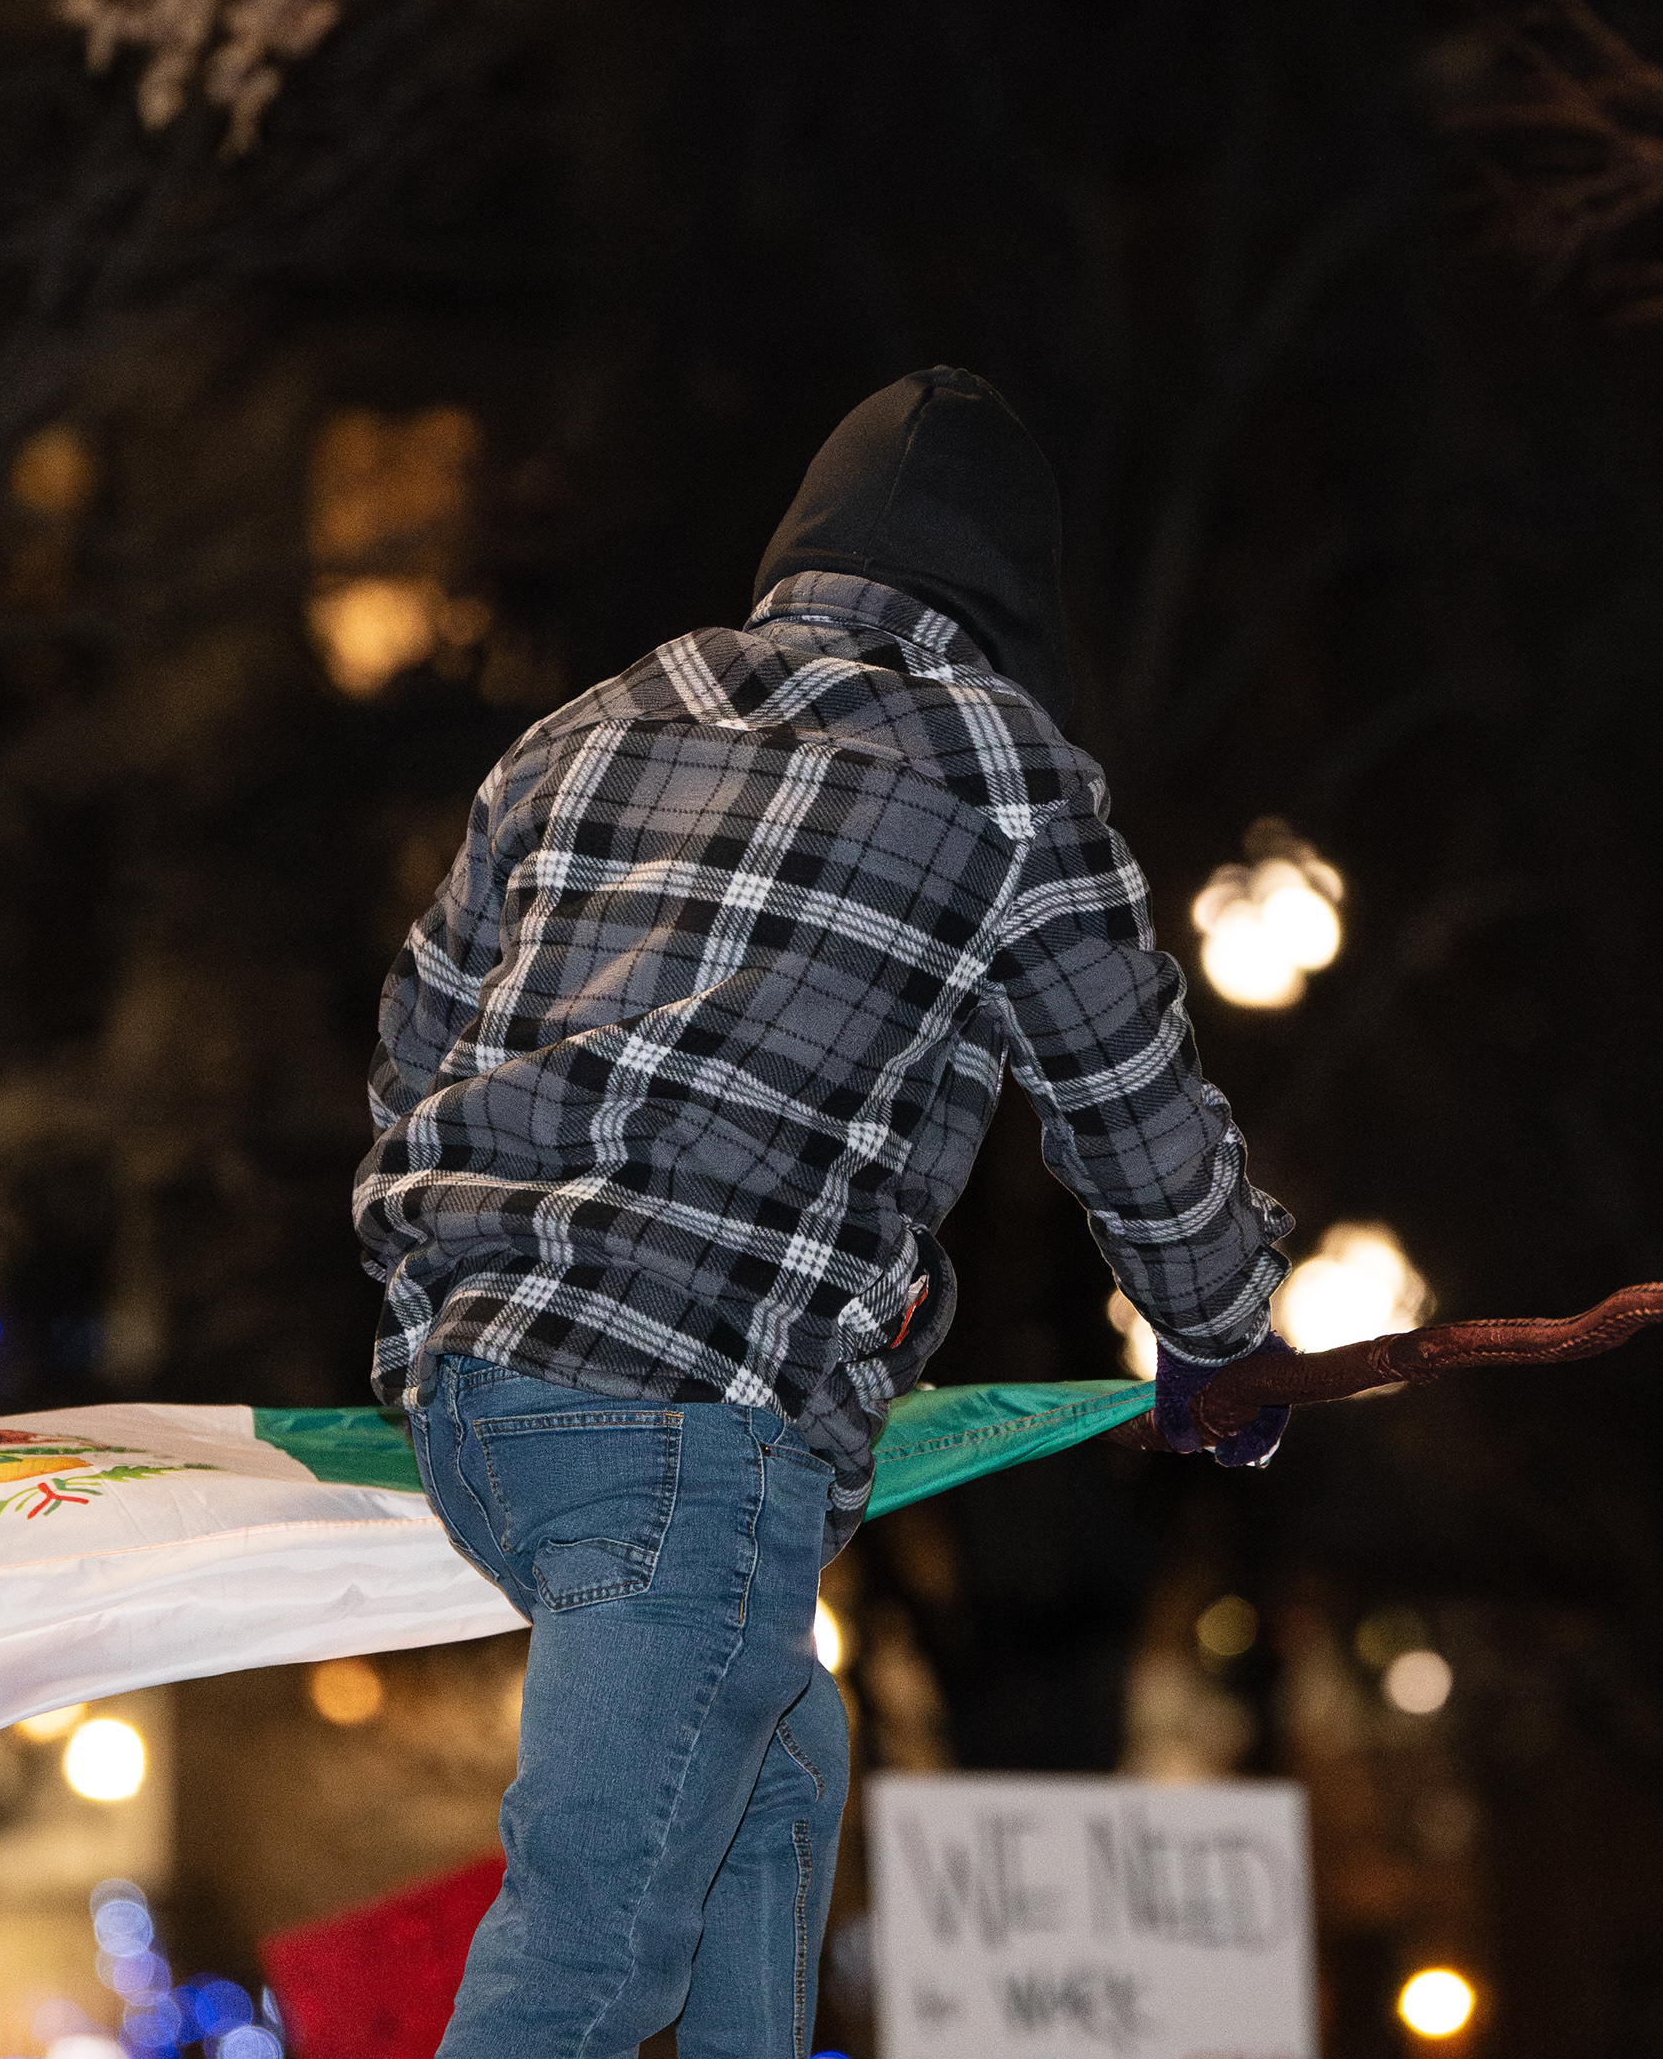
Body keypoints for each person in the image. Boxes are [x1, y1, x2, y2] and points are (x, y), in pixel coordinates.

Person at [354, 366, 1296, 2059]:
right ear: (1012, 598)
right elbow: (1129, 1108)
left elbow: (420, 1027)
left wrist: (435, 1311)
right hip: (683, 1428)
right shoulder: (1001, 770)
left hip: (484, 1408)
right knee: (588, 1952)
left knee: (777, 1785)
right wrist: (1231, 1346)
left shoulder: (589, 725)